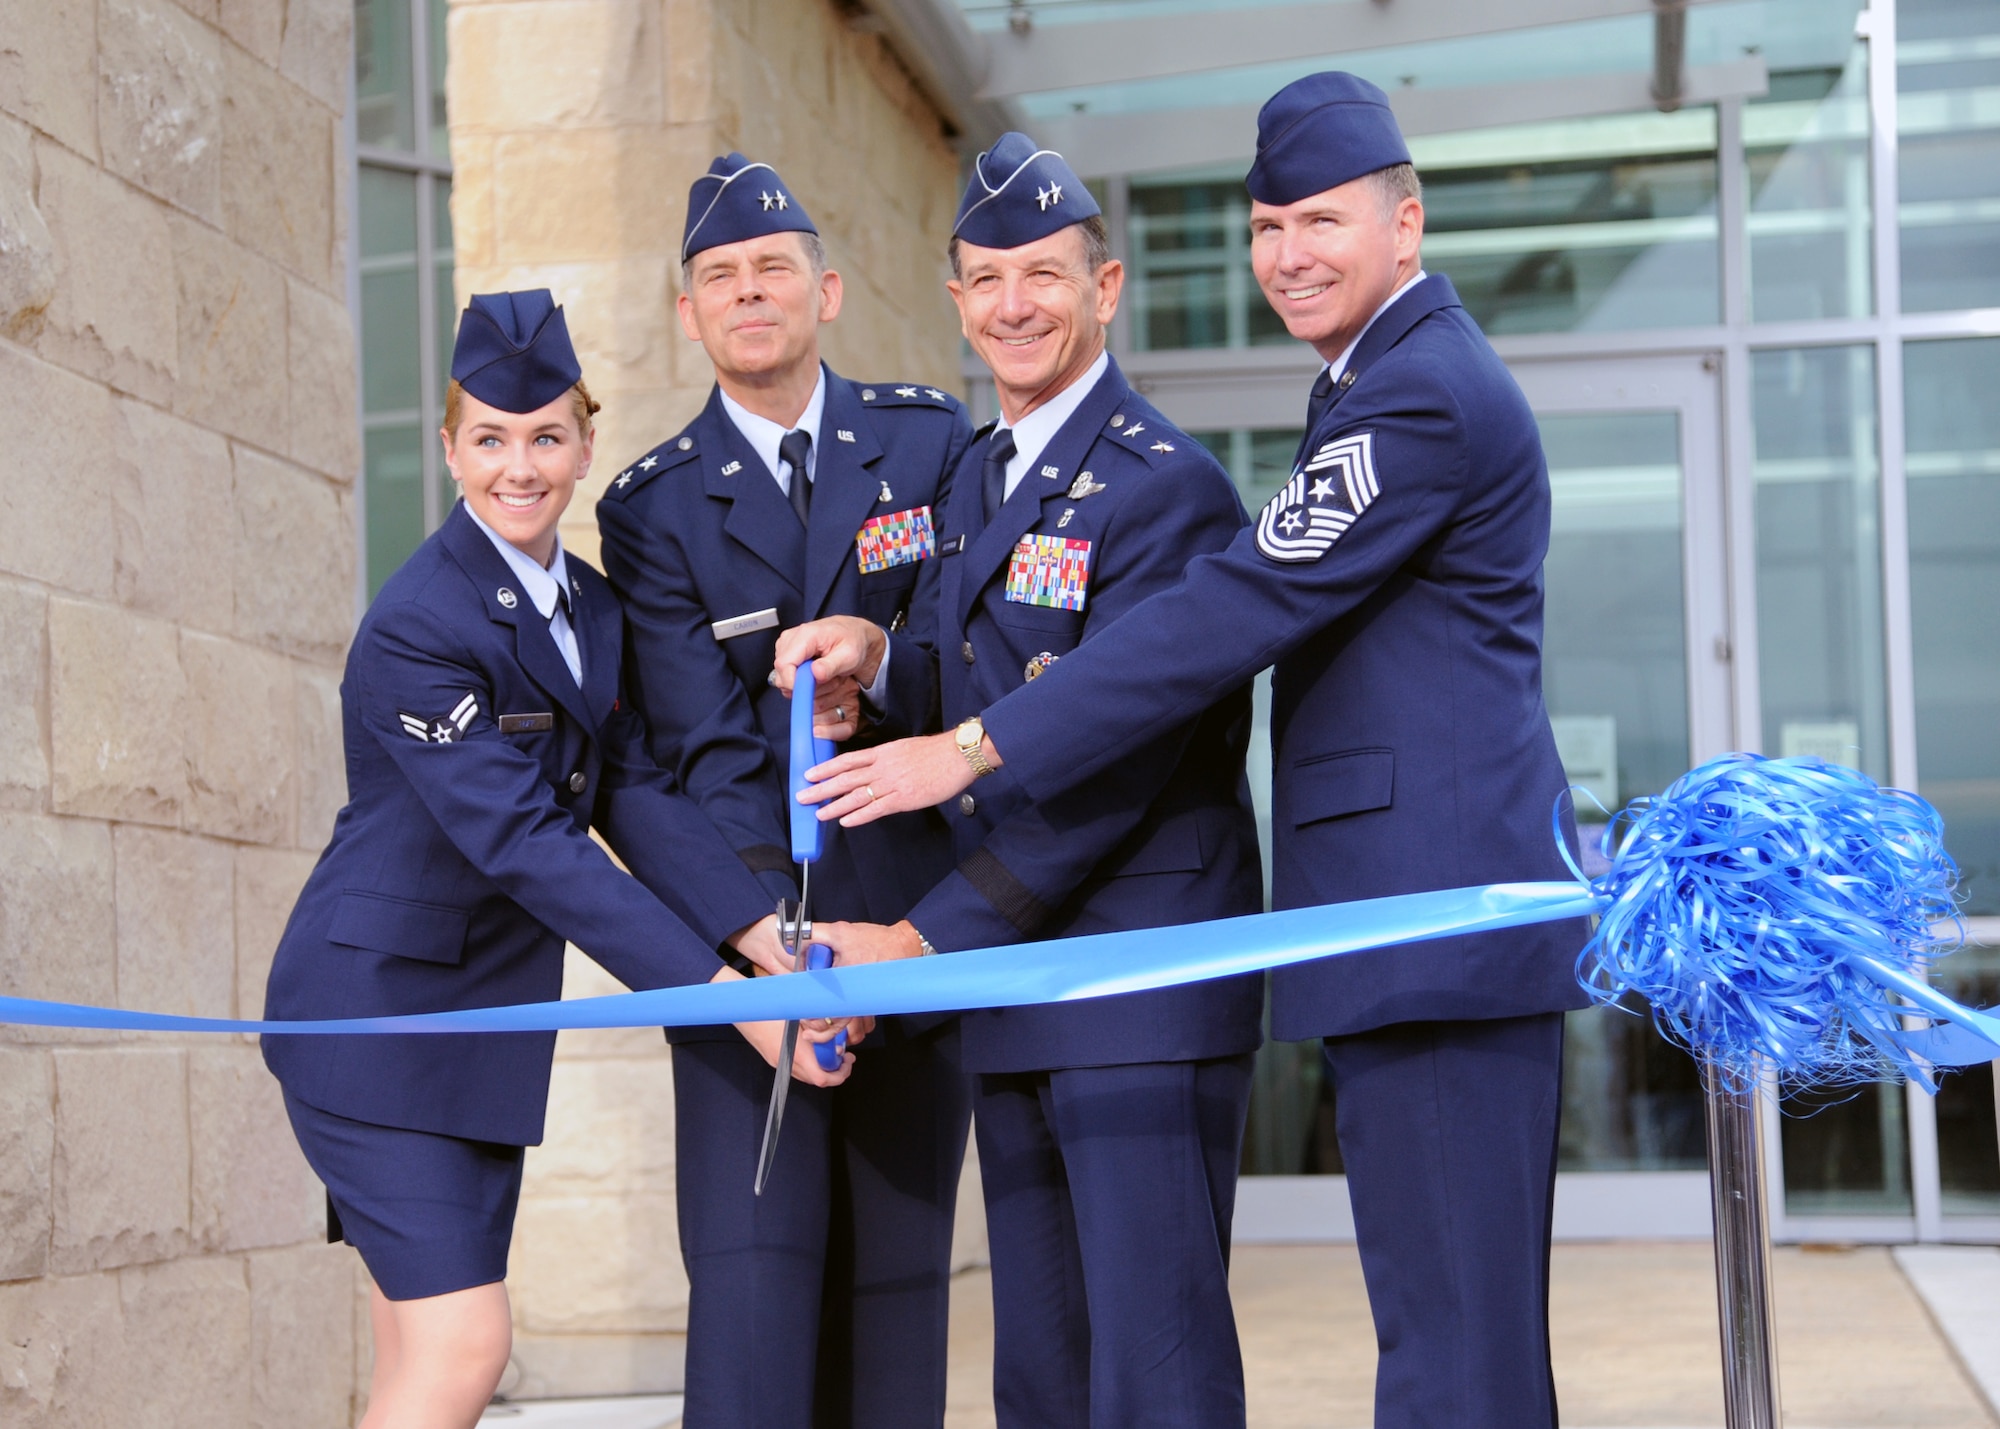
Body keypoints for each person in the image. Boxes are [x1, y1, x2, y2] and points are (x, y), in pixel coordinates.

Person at [783, 75, 1593, 1429]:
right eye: (1268, 226)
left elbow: (1232, 606)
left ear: (1409, 223)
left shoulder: (1422, 398)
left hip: (1436, 921)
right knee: (1439, 1333)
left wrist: (972, 748)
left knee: (1456, 1352)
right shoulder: (1373, 385)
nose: (1288, 255)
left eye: (1321, 221)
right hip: (1390, 927)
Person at [262, 289, 863, 1429]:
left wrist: (758, 938)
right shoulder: (418, 626)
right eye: (489, 439)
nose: (519, 467)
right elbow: (529, 842)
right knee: (463, 1348)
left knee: (416, 1359)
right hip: (375, 1026)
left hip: (476, 1034)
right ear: (449, 449)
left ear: (585, 442)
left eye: (545, 437)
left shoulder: (587, 605)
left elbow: (629, 788)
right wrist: (727, 1000)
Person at [784, 135, 1266, 1429]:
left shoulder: (1169, 495)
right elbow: (975, 687)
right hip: (1018, 986)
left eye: (1044, 275)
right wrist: (877, 667)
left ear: (1106, 289)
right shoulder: (982, 475)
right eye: (987, 278)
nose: (1014, 304)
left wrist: (919, 936)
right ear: (955, 301)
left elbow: (1117, 765)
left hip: (1135, 993)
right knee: (1043, 1378)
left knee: (1152, 1375)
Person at [593, 154, 974, 1428]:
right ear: (688, 316)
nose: (748, 292)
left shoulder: (927, 440)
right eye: (718, 278)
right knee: (755, 1319)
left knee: (898, 1312)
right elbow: (692, 747)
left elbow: (963, 656)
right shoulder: (649, 509)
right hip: (755, 954)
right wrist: (778, 948)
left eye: (771, 270)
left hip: (910, 943)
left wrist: (886, 684)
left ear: (828, 291)